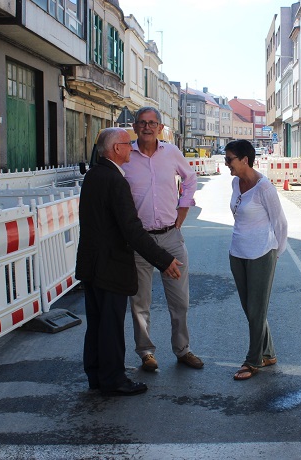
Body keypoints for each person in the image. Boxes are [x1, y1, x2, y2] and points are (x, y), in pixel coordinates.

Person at [76, 127, 183, 396]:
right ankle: (114, 379)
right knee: (110, 326)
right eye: (127, 143)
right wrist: (163, 260)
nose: (131, 147)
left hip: (92, 265)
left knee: (98, 324)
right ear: (116, 149)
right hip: (110, 266)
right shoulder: (115, 181)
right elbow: (132, 230)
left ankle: (96, 375)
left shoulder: (94, 175)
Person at [122, 107, 203, 372]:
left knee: (180, 301)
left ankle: (183, 350)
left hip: (170, 237)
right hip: (140, 242)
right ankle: (146, 353)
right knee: (139, 302)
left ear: (159, 127)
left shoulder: (171, 153)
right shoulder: (126, 156)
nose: (147, 127)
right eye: (142, 123)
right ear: (135, 127)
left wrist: (182, 213)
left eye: (152, 123)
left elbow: (190, 179)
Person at [224, 139, 288, 380]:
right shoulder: (235, 182)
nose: (226, 163)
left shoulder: (264, 188)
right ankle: (268, 352)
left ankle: (253, 361)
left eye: (230, 159)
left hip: (262, 254)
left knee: (256, 309)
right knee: (250, 309)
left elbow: (280, 224)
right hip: (237, 252)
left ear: (245, 160)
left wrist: (276, 254)